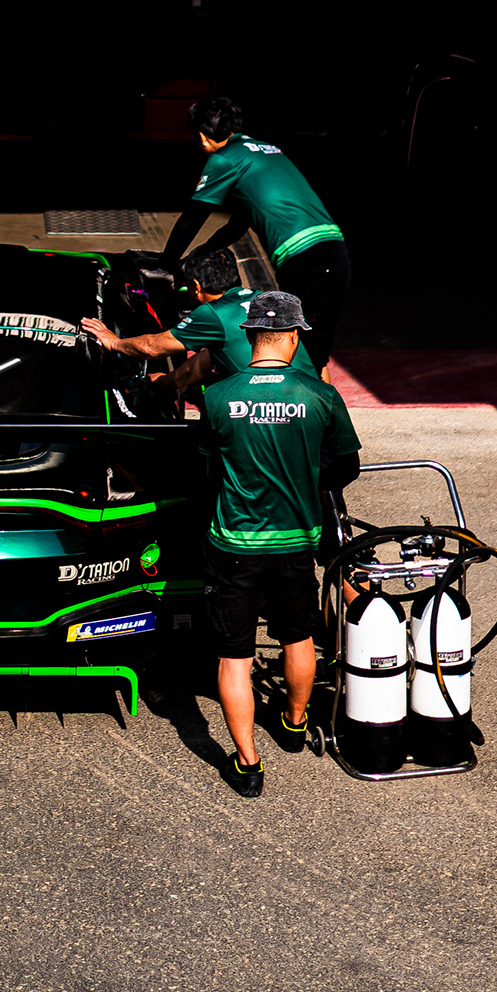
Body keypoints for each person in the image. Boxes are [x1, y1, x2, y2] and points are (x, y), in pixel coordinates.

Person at [198, 288, 360, 800]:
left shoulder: (217, 396)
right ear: (292, 337)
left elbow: (206, 467)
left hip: (234, 545)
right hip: (296, 542)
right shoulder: (319, 394)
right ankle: (293, 724)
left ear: (248, 337)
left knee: (235, 657)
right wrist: (305, 476)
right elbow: (346, 466)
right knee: (297, 637)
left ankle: (248, 764)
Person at [162, 95, 351, 382]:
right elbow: (239, 224)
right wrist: (203, 253)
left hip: (304, 260)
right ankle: (327, 417)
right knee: (312, 346)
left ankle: (319, 418)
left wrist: (167, 261)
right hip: (335, 252)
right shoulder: (266, 150)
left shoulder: (224, 158)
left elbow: (193, 216)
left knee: (296, 346)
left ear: (201, 136)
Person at [79, 244, 253, 396]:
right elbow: (206, 358)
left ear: (196, 287)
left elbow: (152, 347)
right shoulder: (260, 298)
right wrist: (165, 383)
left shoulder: (213, 313)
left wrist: (114, 343)